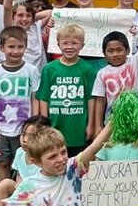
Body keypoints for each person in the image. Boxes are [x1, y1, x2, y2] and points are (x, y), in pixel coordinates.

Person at [0, 26, 42, 182]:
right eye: (11, 47)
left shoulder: (31, 70)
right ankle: (3, 189)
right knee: (2, 161)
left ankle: (22, 190)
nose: (16, 51)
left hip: (24, 128)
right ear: (2, 48)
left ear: (26, 47)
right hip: (0, 127)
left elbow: (34, 97)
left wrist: (35, 124)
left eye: (20, 47)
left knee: (25, 160)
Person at [37, 23, 97, 154]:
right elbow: (43, 98)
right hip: (55, 126)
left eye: (74, 43)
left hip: (78, 128)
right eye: (65, 43)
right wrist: (44, 125)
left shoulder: (87, 70)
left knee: (77, 165)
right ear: (58, 45)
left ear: (82, 45)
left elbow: (91, 99)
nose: (69, 47)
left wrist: (90, 124)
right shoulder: (49, 69)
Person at [90, 31, 138, 136]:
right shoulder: (102, 73)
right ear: (104, 54)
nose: (115, 54)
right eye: (110, 51)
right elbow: (100, 99)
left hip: (136, 118)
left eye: (119, 50)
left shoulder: (134, 62)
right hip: (113, 120)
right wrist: (98, 126)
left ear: (128, 50)